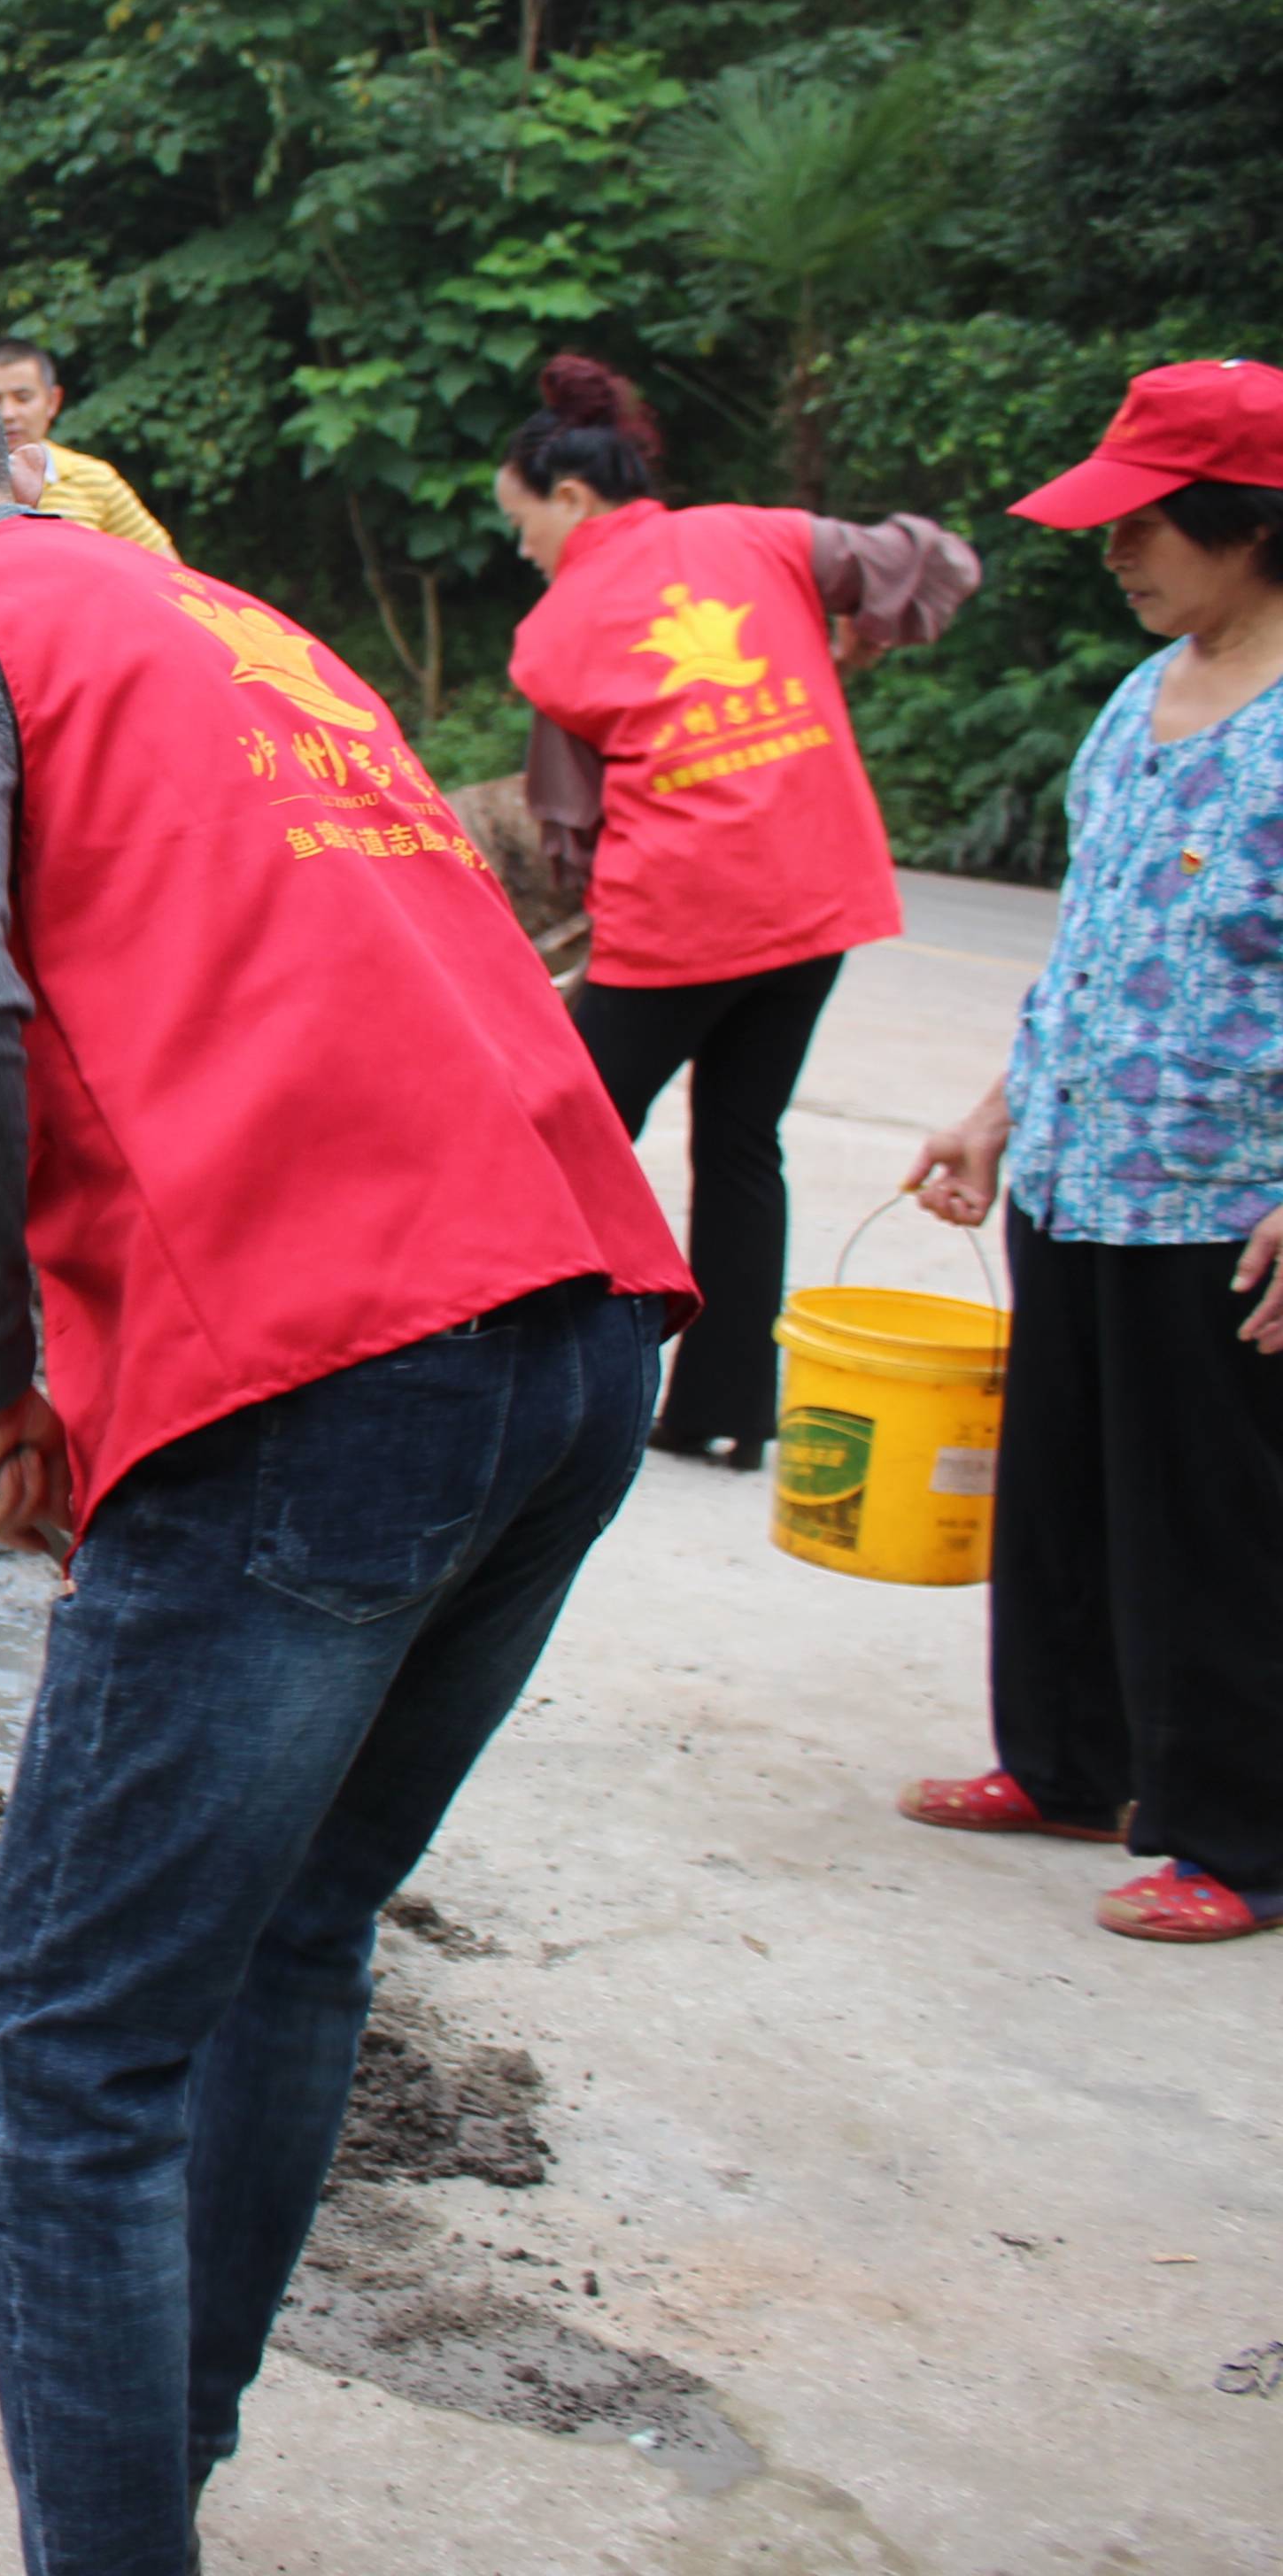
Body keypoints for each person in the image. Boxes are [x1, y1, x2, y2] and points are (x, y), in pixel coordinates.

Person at [0, 314, 689, 2575]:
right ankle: (153, 2463)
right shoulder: (232, 618)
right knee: (285, 1932)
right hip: (571, 1325)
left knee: (56, 2047)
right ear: (3, 444)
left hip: (326, 1370)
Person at [899, 359, 1283, 1946]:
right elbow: (1096, 930)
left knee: (1209, 1511)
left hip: (1223, 1189)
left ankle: (1238, 1834)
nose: (1111, 554)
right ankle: (1064, 1760)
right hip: (1074, 1160)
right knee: (1057, 1485)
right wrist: (994, 1108)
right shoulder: (1147, 686)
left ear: (1244, 522)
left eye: (1140, 525)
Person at [499, 353, 981, 1469]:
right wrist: (861, 636)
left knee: (561, 1139)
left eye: (521, 523)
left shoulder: (558, 628)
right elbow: (932, 560)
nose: (521, 549)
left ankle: (519, 1384)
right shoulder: (757, 536)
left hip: (682, 916)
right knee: (742, 1145)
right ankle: (720, 1411)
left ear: (570, 497)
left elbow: (571, 827)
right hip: (819, 895)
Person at [0, 337, 178, 559]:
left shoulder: (95, 480)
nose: (8, 413)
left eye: (23, 398)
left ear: (52, 401)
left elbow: (167, 571)